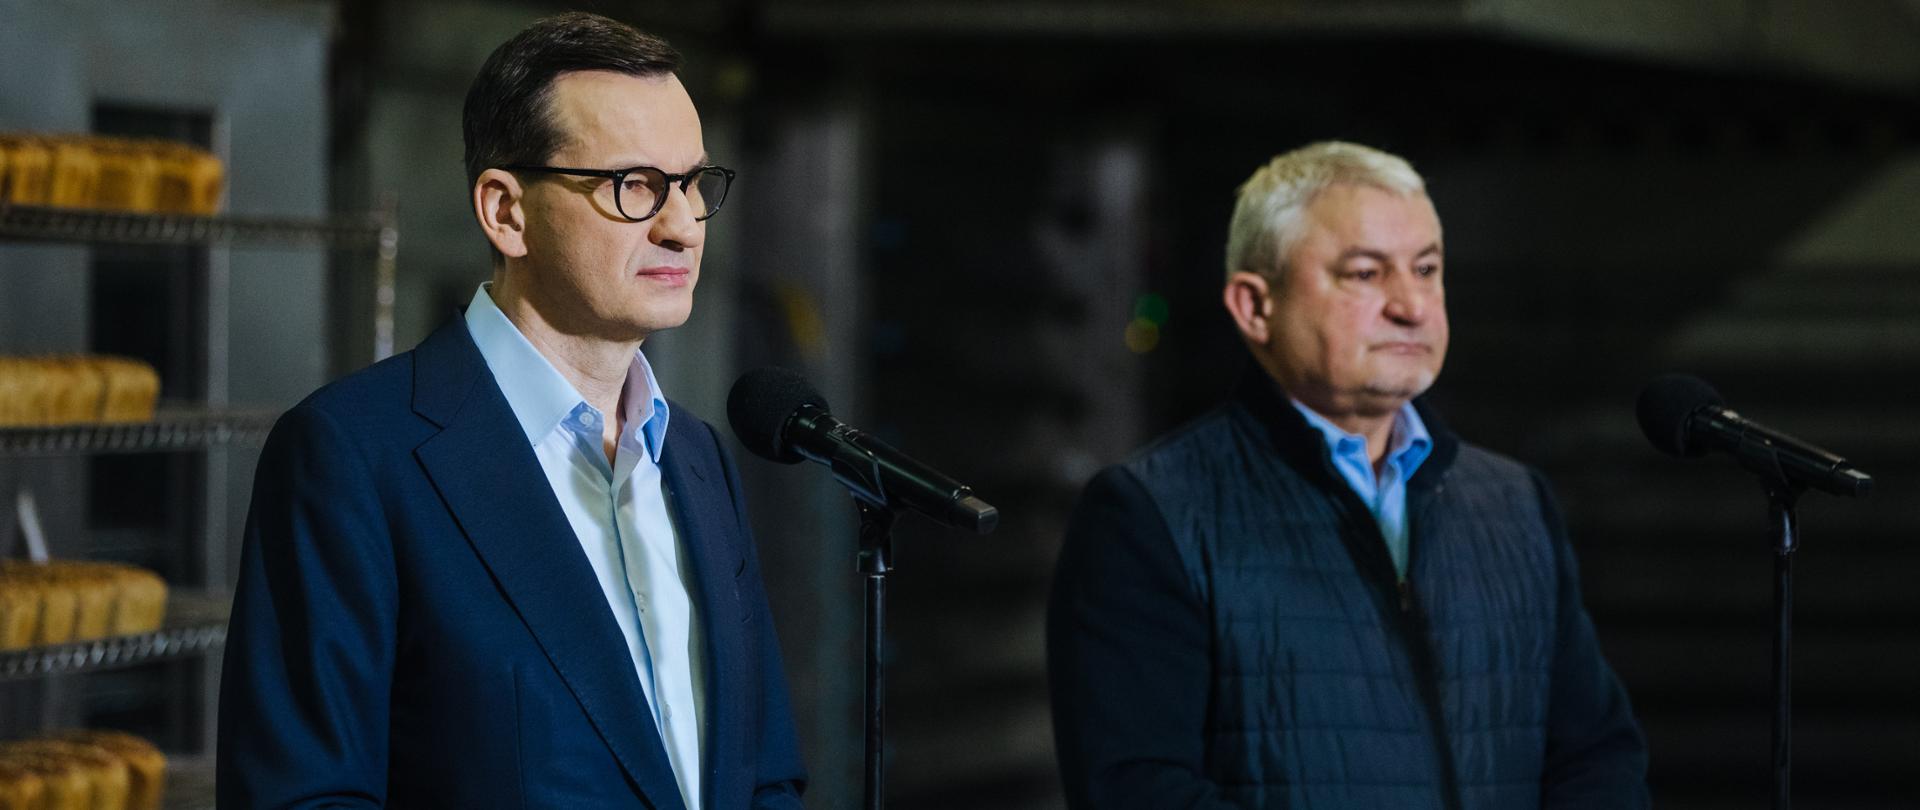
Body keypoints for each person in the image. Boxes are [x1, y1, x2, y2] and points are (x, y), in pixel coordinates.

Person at [217, 13, 805, 809]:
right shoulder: (353, 458)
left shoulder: (698, 459)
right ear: (506, 212)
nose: (681, 225)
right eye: (635, 186)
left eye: (694, 183)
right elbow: (304, 797)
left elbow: (765, 775)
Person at [1046, 141, 1648, 809]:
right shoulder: (1151, 512)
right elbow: (1137, 791)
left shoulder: (1514, 503)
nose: (1411, 305)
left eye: (1426, 269)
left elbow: (1596, 757)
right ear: (1255, 307)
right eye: (1365, 274)